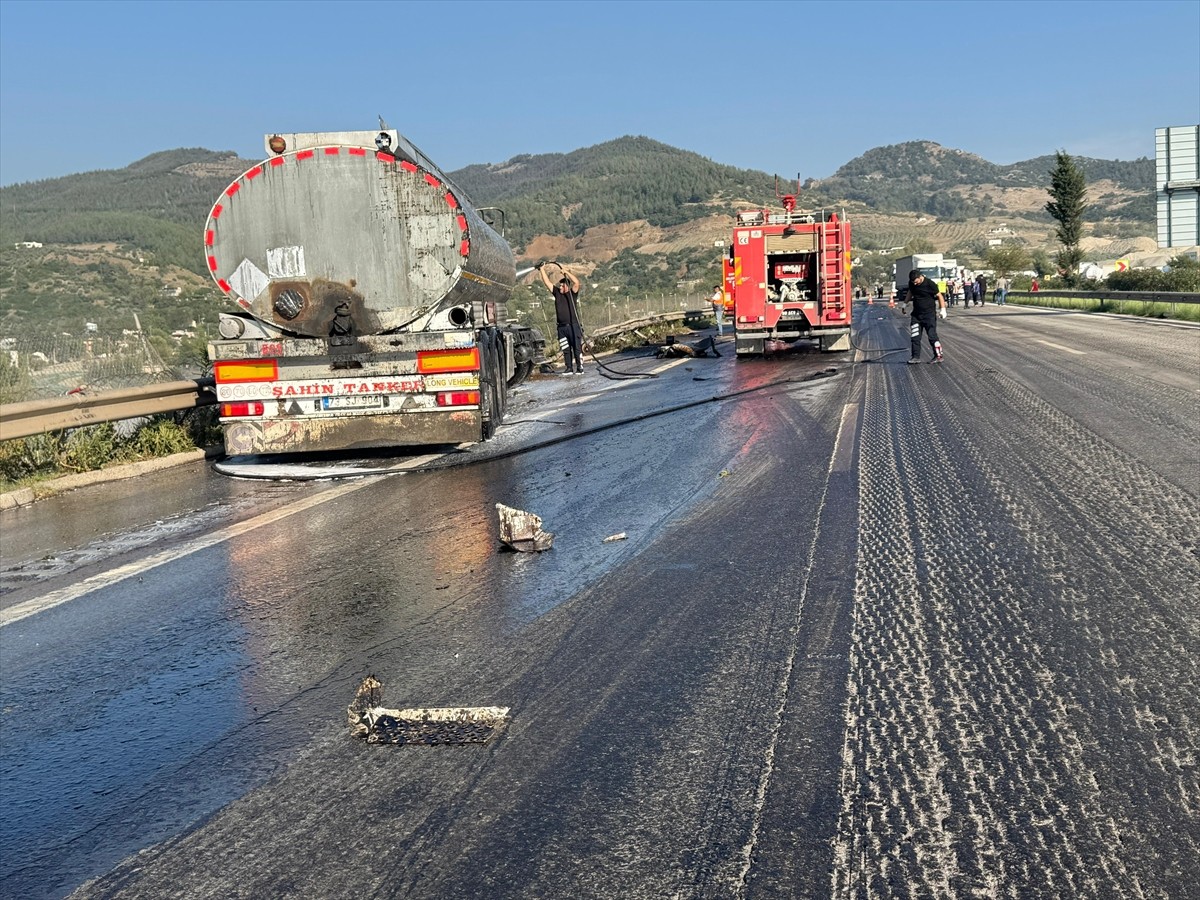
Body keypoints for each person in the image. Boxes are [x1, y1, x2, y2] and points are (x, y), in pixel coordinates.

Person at [539, 263, 584, 374]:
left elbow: (577, 282)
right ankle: (569, 368)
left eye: (562, 285)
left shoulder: (572, 294)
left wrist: (566, 272)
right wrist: (541, 269)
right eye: (560, 285)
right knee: (566, 348)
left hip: (573, 325)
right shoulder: (557, 294)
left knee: (576, 348)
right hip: (562, 328)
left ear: (567, 286)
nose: (560, 287)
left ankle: (579, 368)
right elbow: (547, 282)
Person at [905, 269, 946, 364]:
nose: (915, 284)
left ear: (920, 277)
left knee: (932, 336)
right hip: (916, 315)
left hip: (929, 315)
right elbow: (910, 292)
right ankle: (915, 357)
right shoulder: (912, 283)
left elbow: (939, 296)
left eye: (916, 282)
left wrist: (942, 309)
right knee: (915, 336)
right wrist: (904, 304)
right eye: (913, 282)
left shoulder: (930, 284)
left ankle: (938, 356)